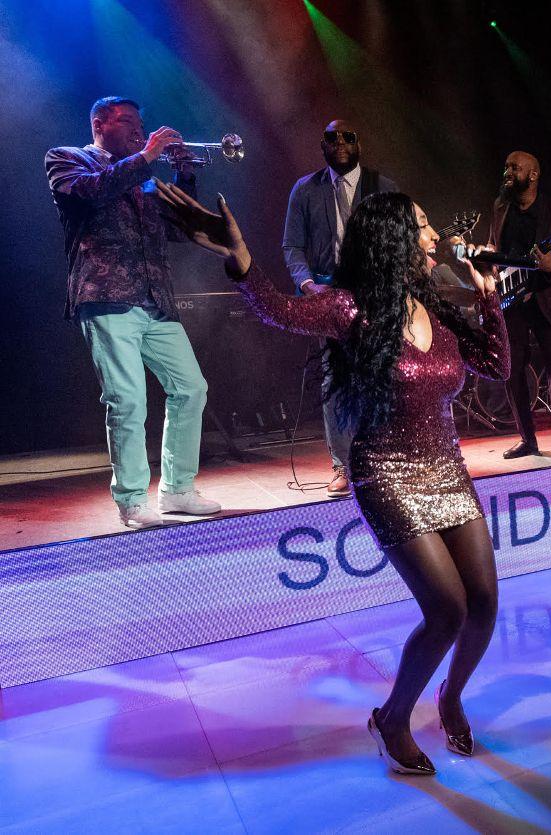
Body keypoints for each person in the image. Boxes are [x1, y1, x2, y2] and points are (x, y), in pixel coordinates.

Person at [156, 183, 509, 776]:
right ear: (393, 239)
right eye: (422, 225)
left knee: (486, 602)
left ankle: (450, 697)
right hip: (388, 472)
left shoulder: (442, 312)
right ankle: (392, 718)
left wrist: (489, 297)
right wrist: (240, 256)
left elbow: (497, 365)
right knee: (447, 609)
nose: (433, 235)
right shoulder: (350, 308)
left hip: (447, 469)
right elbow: (278, 308)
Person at [45, 96, 220, 529]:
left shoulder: (144, 175)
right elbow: (91, 193)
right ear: (99, 123)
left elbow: (180, 230)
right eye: (127, 121)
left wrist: (183, 174)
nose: (139, 131)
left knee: (191, 389)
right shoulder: (67, 159)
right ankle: (131, 500)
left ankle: (177, 489)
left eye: (140, 124)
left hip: (155, 299)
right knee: (127, 399)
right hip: (105, 295)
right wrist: (147, 156)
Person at [282, 119, 398, 497]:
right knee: (335, 378)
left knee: (382, 375)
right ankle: (343, 465)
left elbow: (401, 241)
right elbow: (292, 246)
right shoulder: (306, 189)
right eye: (332, 138)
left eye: (348, 136)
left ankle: (383, 458)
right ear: (323, 145)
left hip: (375, 296)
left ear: (359, 142)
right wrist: (307, 285)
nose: (341, 143)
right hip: (329, 296)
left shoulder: (382, 187)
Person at [489, 151, 551, 464]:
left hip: (547, 300)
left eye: (514, 168)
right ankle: (527, 439)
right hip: (512, 302)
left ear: (533, 175)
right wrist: (489, 260)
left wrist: (550, 267)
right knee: (513, 371)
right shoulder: (500, 208)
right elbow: (495, 247)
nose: (507, 172)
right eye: (506, 167)